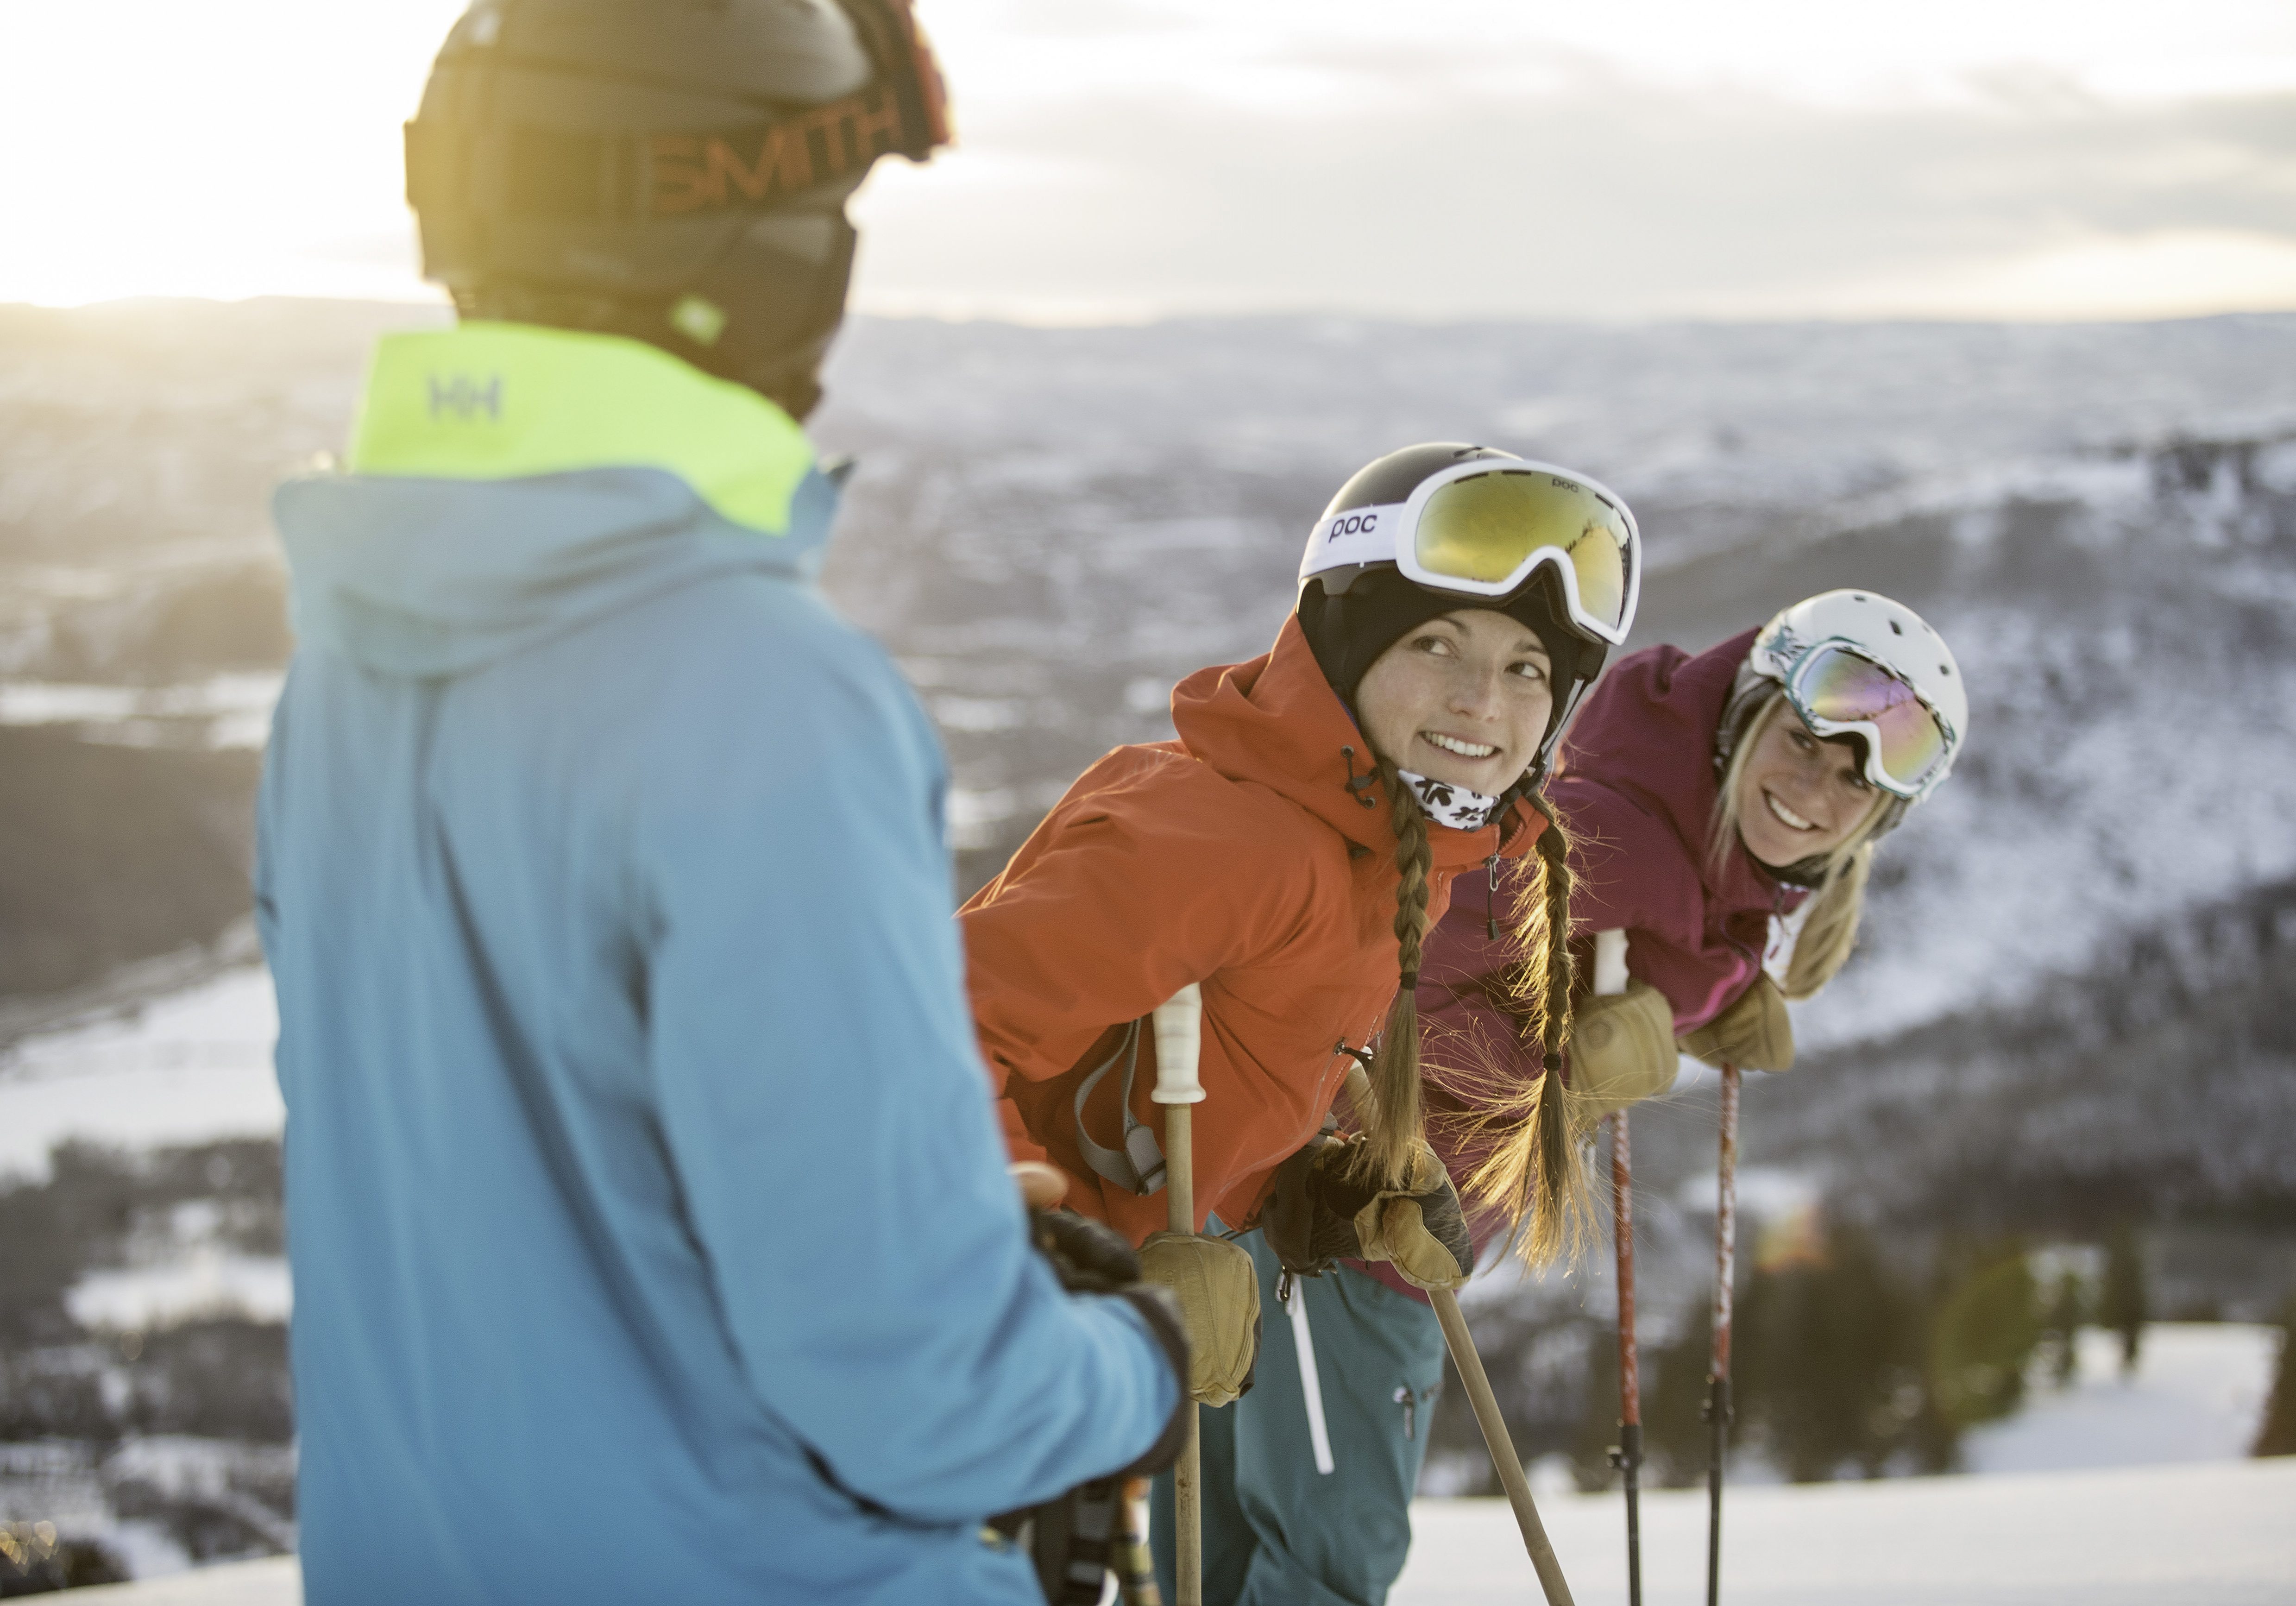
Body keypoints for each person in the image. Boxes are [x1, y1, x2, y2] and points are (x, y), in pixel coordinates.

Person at [254, 5, 1183, 1602]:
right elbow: (927, 1396)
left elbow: (532, 1216)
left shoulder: (344, 671)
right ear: (769, 243)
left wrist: (947, 1238)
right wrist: (1128, 1363)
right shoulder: (757, 689)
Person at [957, 443, 1643, 1603]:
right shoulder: (1233, 840)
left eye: (1529, 666)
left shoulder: (1369, 843)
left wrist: (1314, 1188)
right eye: (1436, 644)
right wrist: (1062, 1272)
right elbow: (910, 1051)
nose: (1485, 701)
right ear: (1343, 642)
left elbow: (1183, 1074)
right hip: (952, 1354)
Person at [1250, 588, 1969, 1603]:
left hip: (1346, 1223)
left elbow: (1613, 938)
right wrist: (1554, 1048)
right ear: (1748, 709)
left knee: (1250, 1544)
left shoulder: (1698, 834)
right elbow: (1389, 971)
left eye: (1859, 778)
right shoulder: (1611, 831)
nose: (1820, 788)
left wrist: (1690, 1003)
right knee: (1325, 1559)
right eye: (1805, 741)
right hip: (1349, 1225)